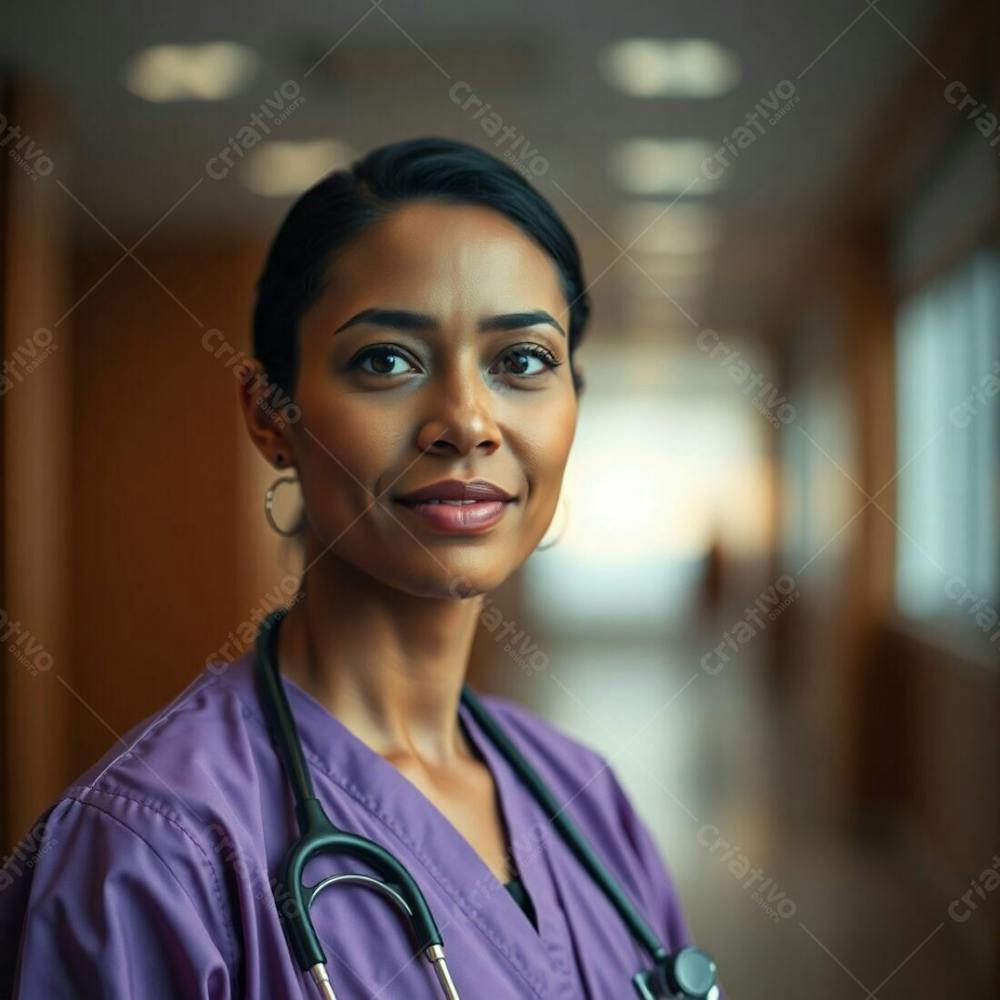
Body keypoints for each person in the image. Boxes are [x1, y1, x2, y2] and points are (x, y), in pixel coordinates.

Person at [1, 137, 719, 998]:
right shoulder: (147, 854)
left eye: (522, 361)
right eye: (387, 360)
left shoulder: (585, 799)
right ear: (272, 417)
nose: (467, 422)